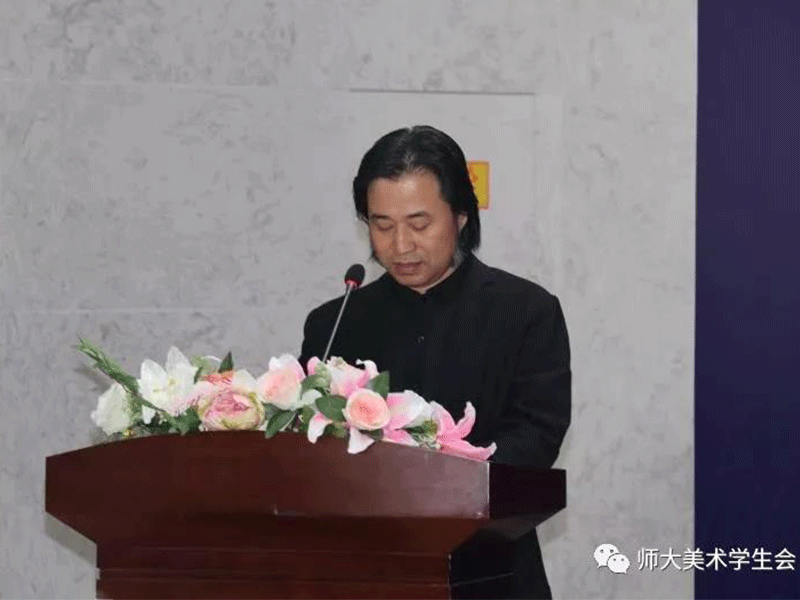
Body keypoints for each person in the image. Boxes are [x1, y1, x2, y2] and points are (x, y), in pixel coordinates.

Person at [298, 125, 571, 599]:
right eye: (382, 226)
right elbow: (309, 446)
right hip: (364, 577)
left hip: (492, 574)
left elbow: (536, 437)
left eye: (419, 224)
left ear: (461, 215)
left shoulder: (525, 312)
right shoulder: (334, 324)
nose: (400, 246)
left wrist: (433, 482)